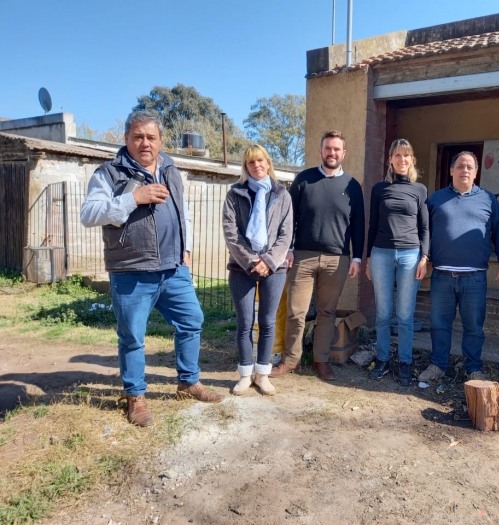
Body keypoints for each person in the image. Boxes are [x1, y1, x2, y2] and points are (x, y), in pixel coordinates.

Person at [80, 110, 223, 427]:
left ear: (160, 140)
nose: (145, 143)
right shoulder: (109, 174)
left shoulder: (171, 168)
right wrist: (134, 198)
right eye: (138, 137)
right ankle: (136, 396)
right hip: (131, 271)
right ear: (127, 139)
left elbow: (182, 211)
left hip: (173, 269)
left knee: (192, 320)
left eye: (151, 137)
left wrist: (186, 249)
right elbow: (89, 214)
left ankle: (188, 383)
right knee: (132, 336)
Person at [271, 130, 365, 381]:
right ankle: (291, 360)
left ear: (343, 153)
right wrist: (288, 249)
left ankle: (321, 360)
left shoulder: (352, 186)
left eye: (336, 149)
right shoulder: (304, 179)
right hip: (302, 256)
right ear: (320, 151)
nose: (332, 153)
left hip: (338, 260)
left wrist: (356, 258)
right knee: (295, 311)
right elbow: (288, 219)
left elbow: (358, 224)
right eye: (328, 148)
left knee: (327, 312)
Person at [419, 151, 499, 385]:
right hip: (442, 276)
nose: (465, 170)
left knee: (474, 328)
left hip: (475, 278)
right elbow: (424, 232)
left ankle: (473, 369)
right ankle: (438, 365)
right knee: (439, 325)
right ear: (451, 170)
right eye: (460, 166)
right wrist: (424, 256)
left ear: (476, 172)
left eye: (470, 166)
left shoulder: (488, 199)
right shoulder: (436, 199)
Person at [222, 144, 292, 396]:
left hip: (275, 268)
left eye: (261, 161)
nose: (257, 166)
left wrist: (269, 262)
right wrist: (251, 261)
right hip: (242, 267)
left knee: (267, 321)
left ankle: (262, 374)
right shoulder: (234, 194)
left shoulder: (282, 194)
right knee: (244, 323)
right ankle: (244, 375)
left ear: (268, 163)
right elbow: (231, 232)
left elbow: (286, 235)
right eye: (251, 162)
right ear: (246, 166)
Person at [365, 139, 429, 386]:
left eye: (407, 155)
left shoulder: (419, 190)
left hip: (410, 255)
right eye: (398, 155)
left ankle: (405, 362)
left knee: (405, 314)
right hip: (381, 253)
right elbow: (373, 225)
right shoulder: (379, 189)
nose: (402, 160)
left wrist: (424, 257)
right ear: (390, 159)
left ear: (412, 160)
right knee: (382, 313)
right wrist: (369, 256)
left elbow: (424, 227)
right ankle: (382, 359)